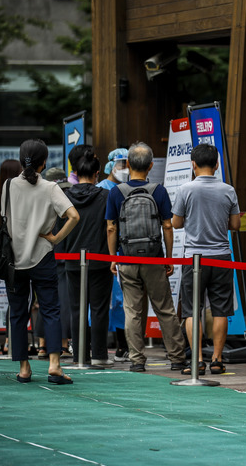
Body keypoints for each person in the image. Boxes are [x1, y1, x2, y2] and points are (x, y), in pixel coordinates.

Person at [105, 142, 187, 372]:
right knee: (164, 308)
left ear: (128, 164)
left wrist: (114, 258)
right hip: (154, 258)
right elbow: (168, 226)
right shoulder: (158, 191)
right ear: (151, 166)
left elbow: (111, 228)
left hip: (127, 259)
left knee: (132, 311)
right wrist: (168, 258)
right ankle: (177, 358)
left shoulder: (116, 192)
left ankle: (137, 360)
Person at [3, 139, 79, 384]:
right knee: (51, 310)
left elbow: (5, 219)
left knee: (17, 312)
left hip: (14, 259)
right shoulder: (50, 188)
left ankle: (24, 369)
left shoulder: (8, 186)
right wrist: (55, 237)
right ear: (44, 162)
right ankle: (54, 365)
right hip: (43, 258)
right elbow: (73, 216)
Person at [172, 144, 240, 375]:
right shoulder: (228, 190)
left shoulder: (185, 189)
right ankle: (218, 360)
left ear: (193, 164)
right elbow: (235, 225)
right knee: (220, 310)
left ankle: (197, 360)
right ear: (217, 164)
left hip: (194, 258)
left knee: (192, 310)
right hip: (221, 256)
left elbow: (176, 223)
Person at [63, 149, 114, 366]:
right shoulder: (105, 196)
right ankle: (100, 355)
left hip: (72, 259)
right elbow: (111, 227)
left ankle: (79, 355)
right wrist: (113, 256)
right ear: (97, 172)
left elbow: (59, 226)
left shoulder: (65, 195)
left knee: (77, 309)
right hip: (100, 259)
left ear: (75, 171)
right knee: (99, 309)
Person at [34, 167, 74, 360]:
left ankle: (42, 345)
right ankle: (63, 345)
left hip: (42, 254)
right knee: (63, 300)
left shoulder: (39, 201)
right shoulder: (66, 202)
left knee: (45, 300)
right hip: (64, 255)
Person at [96, 147, 130, 362]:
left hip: (123, 250)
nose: (124, 169)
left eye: (127, 165)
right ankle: (98, 346)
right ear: (110, 166)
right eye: (121, 165)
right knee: (103, 300)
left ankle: (122, 346)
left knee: (122, 301)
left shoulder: (127, 188)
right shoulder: (102, 189)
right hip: (103, 251)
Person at [0, 159, 23, 355]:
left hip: (6, 253)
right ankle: (12, 341)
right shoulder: (17, 193)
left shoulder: (1, 194)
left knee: (14, 298)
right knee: (22, 300)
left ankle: (10, 341)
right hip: (21, 252)